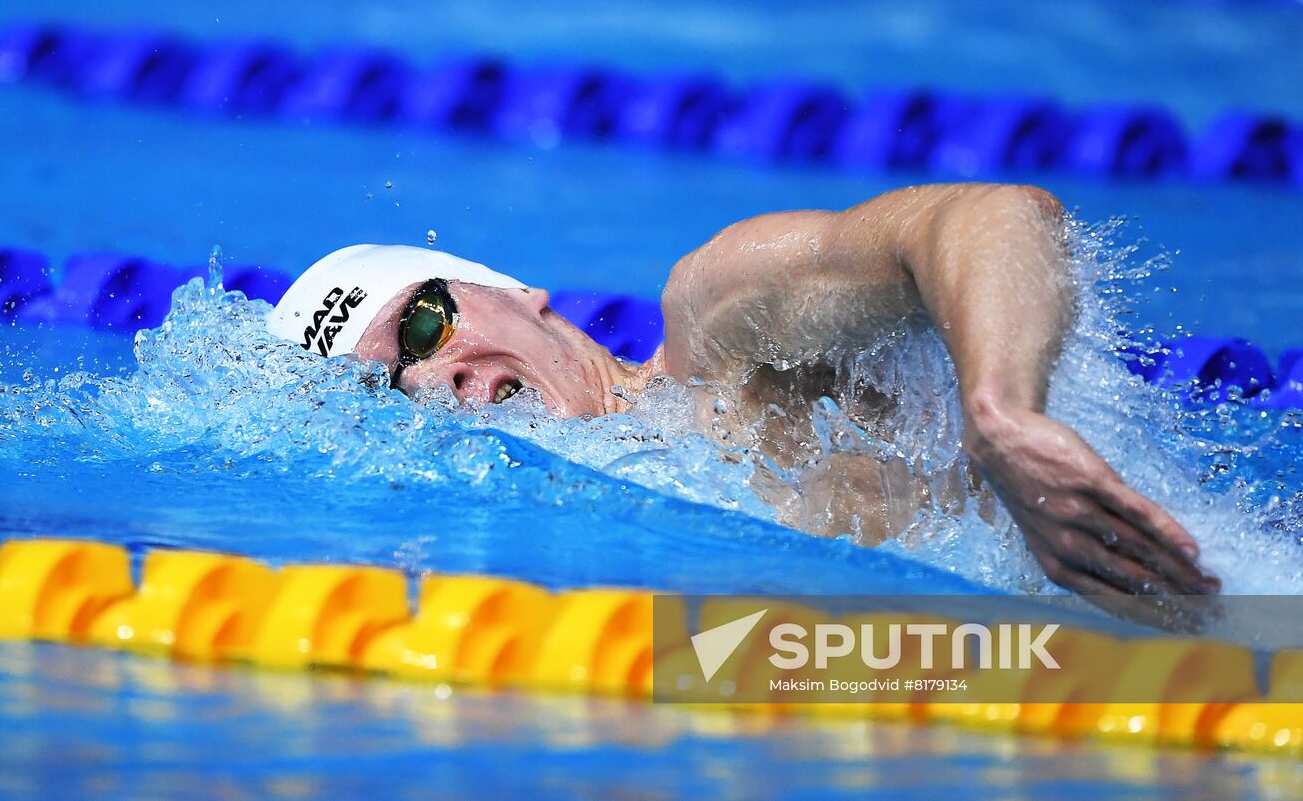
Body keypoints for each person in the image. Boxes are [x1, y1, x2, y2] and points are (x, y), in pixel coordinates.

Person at [267, 182, 1220, 611]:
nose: (431, 378)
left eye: (424, 326)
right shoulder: (540, 566)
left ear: (517, 291)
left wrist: (1003, 413)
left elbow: (992, 217)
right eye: (388, 392)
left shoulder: (726, 338)